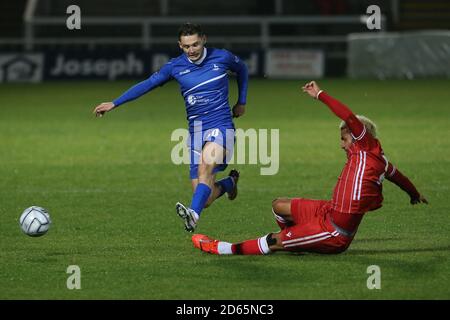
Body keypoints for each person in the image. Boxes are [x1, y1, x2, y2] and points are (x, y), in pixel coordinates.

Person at [192, 81, 428, 255]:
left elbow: (348, 115)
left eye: (344, 140)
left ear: (357, 137)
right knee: (278, 206)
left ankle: (221, 248)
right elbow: (400, 178)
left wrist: (320, 94)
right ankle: (299, 242)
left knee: (274, 241)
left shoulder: (366, 146)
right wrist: (414, 194)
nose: (341, 145)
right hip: (327, 211)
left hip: (335, 232)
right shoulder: (378, 160)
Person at [93, 23, 249, 232]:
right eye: (186, 46)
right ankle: (229, 183)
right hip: (196, 131)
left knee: (205, 167)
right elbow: (148, 84)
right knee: (206, 197)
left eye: (195, 44)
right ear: (180, 45)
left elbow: (242, 69)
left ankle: (192, 216)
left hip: (221, 125)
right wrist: (115, 102)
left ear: (204, 39)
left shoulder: (222, 57)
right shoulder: (175, 66)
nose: (191, 50)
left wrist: (242, 101)